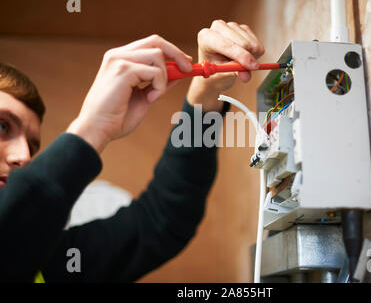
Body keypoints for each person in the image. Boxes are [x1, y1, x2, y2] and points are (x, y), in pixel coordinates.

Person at [0, 20, 264, 282]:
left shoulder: (53, 262)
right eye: (3, 127)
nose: (23, 156)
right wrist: (91, 129)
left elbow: (160, 220)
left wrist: (204, 97)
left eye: (32, 145)